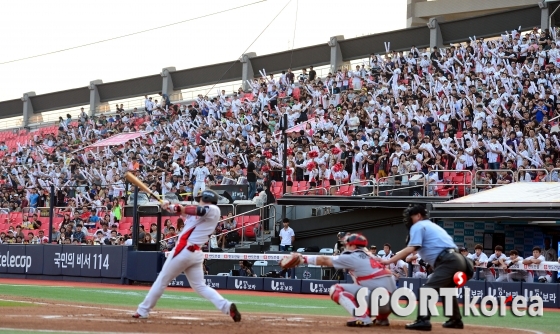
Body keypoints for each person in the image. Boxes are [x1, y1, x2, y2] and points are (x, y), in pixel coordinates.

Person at [132, 190, 241, 322]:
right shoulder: (198, 214)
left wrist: (177, 207)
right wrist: (170, 206)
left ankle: (143, 310)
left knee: (162, 280)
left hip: (184, 250)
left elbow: (196, 210)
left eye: (200, 198)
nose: (198, 200)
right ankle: (226, 306)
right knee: (200, 286)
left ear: (206, 198)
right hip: (195, 254)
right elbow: (184, 211)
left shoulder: (213, 209)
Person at [381, 205, 473, 331]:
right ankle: (455, 320)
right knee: (446, 291)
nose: (409, 220)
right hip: (459, 261)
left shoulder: (418, 226)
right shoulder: (431, 226)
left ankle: (423, 321)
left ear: (418, 216)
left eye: (411, 216)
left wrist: (388, 261)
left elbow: (411, 248)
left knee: (426, 290)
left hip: (449, 261)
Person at [285, 233, 396, 327]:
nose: (346, 246)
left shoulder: (352, 256)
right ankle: (382, 318)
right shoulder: (370, 256)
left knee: (336, 289)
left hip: (378, 301)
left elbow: (324, 260)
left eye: (347, 244)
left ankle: (361, 316)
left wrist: (303, 258)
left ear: (353, 245)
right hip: (390, 304)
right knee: (363, 285)